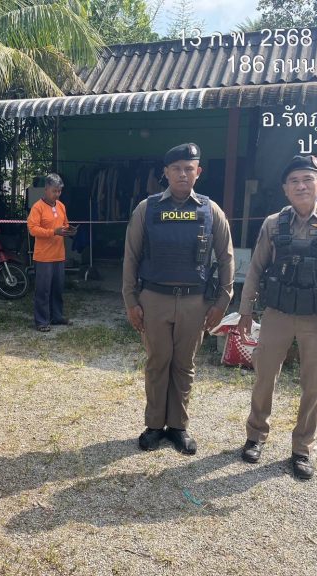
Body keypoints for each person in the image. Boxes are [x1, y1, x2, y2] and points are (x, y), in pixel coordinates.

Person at [237, 155, 317, 480]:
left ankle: (302, 449)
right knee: (264, 377)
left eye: (307, 179)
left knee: (314, 384)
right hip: (277, 314)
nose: (301, 186)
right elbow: (256, 268)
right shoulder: (272, 223)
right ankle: (255, 436)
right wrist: (246, 309)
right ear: (285, 189)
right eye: (294, 181)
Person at [123, 143, 234, 453]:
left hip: (195, 302)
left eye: (189, 168)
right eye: (176, 168)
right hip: (154, 299)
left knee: (184, 364)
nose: (182, 174)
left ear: (198, 172)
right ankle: (154, 426)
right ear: (166, 172)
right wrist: (131, 301)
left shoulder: (211, 211)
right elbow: (131, 257)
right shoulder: (147, 209)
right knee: (157, 362)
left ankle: (178, 427)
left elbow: (226, 258)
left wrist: (222, 302)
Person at [27, 173, 76, 332]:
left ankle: (57, 316)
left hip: (59, 255)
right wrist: (53, 232)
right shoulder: (37, 207)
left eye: (59, 191)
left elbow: (65, 224)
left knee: (58, 288)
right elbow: (33, 229)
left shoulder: (61, 206)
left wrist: (69, 230)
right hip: (43, 257)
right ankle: (41, 321)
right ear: (46, 189)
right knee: (43, 290)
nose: (57, 194)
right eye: (54, 191)